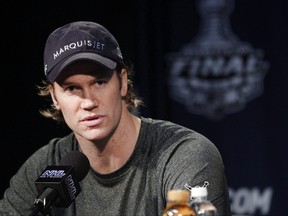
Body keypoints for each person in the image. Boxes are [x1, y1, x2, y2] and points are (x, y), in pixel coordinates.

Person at [0, 21, 231, 216]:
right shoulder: (43, 168)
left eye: (99, 82)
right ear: (54, 97)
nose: (88, 102)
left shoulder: (183, 155)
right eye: (72, 88)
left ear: (122, 82)